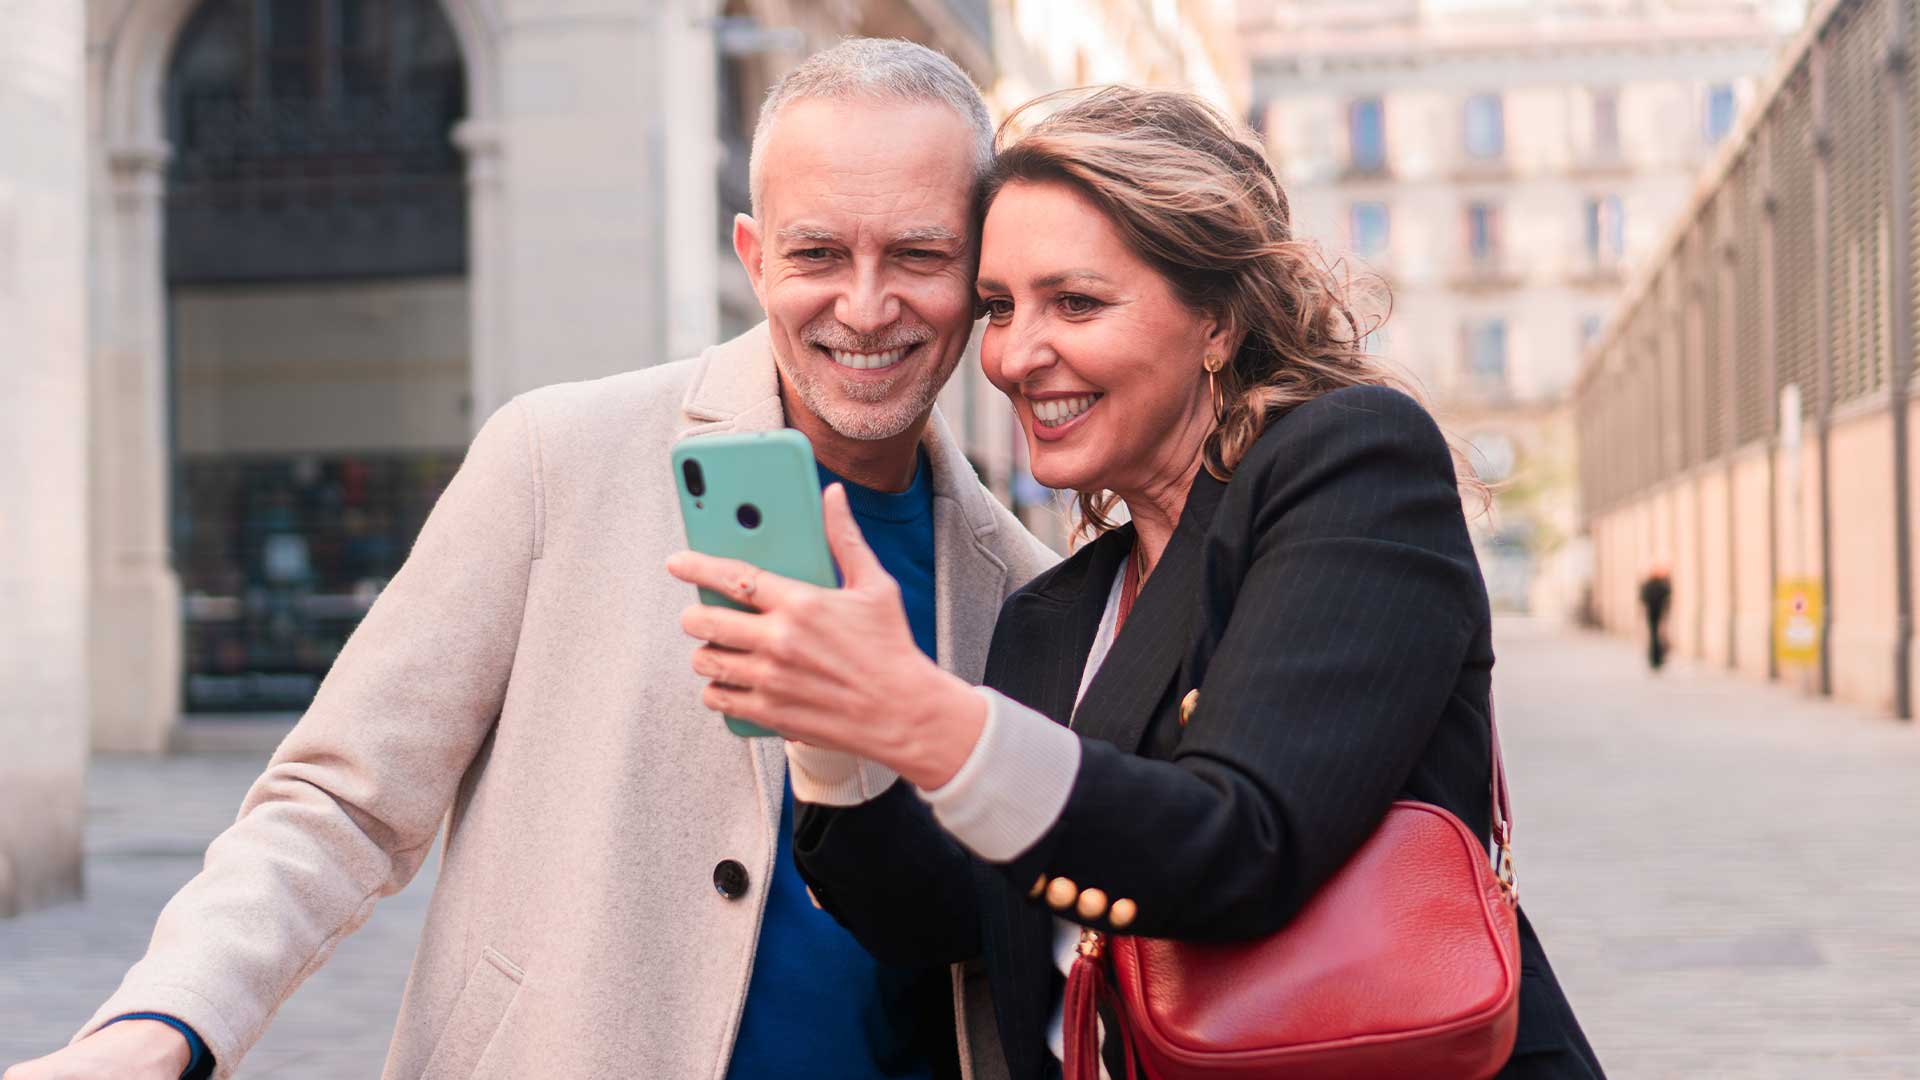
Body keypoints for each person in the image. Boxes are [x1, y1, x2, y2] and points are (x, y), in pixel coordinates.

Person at [5, 39, 1052, 1080]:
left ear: (979, 272)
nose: (866, 307)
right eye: (819, 253)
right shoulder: (561, 457)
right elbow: (339, 802)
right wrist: (164, 1023)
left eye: (917, 255)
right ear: (753, 255)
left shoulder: (1028, 590)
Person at [668, 86, 1605, 1079]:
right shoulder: (1052, 612)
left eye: (1074, 302)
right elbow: (946, 916)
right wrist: (831, 736)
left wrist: (920, 713)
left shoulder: (1349, 463)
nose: (1018, 355)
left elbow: (1243, 841)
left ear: (1216, 322)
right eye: (998, 308)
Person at [1640, 566, 1673, 670]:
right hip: (1657, 614)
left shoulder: (1650, 584)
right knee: (1656, 636)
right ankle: (1656, 659)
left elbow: (1643, 598)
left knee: (1654, 635)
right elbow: (1667, 594)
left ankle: (1656, 659)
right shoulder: (1659, 584)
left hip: (1653, 614)